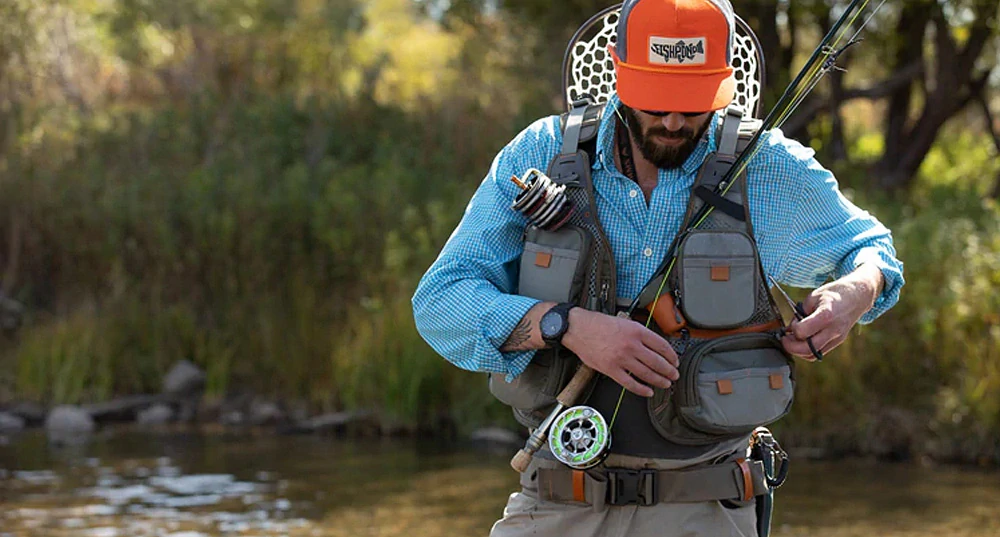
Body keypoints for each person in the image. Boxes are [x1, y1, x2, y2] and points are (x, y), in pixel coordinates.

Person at [412, 0, 904, 535]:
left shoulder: (768, 165)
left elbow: (872, 251)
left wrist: (854, 292)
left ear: (725, 80)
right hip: (554, 502)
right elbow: (440, 300)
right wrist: (568, 326)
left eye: (692, 105)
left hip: (708, 507)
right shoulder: (541, 151)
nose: (672, 122)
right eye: (655, 101)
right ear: (615, 67)